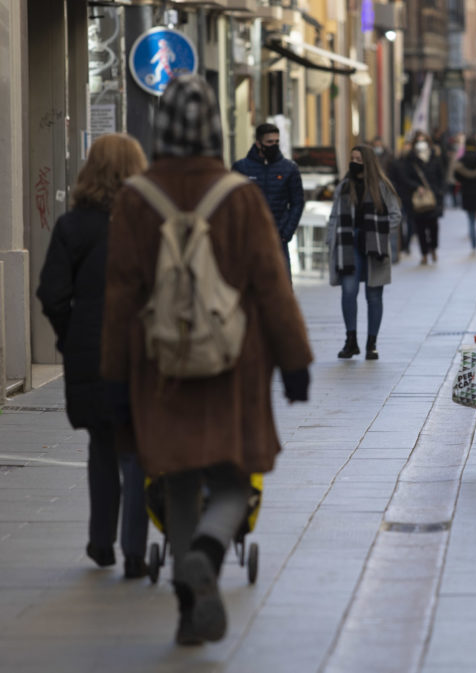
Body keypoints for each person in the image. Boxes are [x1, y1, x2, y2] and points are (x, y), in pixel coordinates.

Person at [101, 74, 313, 645]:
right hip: (233, 368)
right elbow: (272, 287)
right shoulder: (239, 195)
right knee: (231, 479)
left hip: (157, 366)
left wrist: (115, 381)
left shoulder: (135, 199)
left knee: (175, 478)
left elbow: (119, 299)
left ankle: (189, 607)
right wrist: (295, 362)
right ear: (217, 129)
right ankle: (209, 552)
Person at [36, 133, 150, 579]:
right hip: (141, 350)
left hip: (91, 352)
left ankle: (101, 542)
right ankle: (136, 551)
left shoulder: (73, 226)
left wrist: (70, 338)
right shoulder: (151, 224)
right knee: (136, 451)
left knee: (102, 446)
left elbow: (51, 294)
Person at [327, 145, 401, 360]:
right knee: (348, 292)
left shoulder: (381, 186)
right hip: (348, 245)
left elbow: (396, 216)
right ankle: (351, 341)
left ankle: (371, 344)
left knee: (374, 295)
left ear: (368, 162)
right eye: (352, 158)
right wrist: (330, 241)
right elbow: (333, 217)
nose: (355, 162)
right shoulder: (344, 186)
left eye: (359, 159)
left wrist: (377, 231)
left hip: (374, 246)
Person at [231, 123, 304, 279]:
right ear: (258, 143)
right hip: (249, 239)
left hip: (278, 238)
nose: (274, 145)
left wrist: (286, 233)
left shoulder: (289, 169)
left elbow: (297, 202)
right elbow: (233, 203)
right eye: (269, 142)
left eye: (276, 142)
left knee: (281, 288)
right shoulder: (241, 168)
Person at [402, 131, 446, 265]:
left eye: (423, 140)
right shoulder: (411, 159)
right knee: (420, 227)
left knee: (433, 226)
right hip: (418, 199)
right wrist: (417, 187)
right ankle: (424, 253)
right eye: (418, 141)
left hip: (433, 197)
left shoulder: (435, 157)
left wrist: (439, 192)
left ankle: (433, 248)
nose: (421, 143)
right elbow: (406, 178)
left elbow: (441, 176)